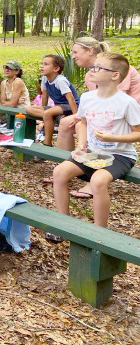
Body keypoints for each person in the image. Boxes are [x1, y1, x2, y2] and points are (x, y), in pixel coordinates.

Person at [48, 53, 140, 239]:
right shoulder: (88, 97)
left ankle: (99, 234)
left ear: (115, 76)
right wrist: (82, 144)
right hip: (92, 152)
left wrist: (113, 138)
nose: (92, 70)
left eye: (99, 68)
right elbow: (82, 122)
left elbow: (138, 133)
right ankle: (62, 223)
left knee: (98, 181)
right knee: (59, 172)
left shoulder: (127, 103)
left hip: (119, 155)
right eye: (93, 67)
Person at [58, 37, 140, 198]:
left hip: (126, 115)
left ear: (89, 51)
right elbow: (93, 103)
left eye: (76, 52)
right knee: (67, 123)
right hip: (101, 113)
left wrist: (86, 120)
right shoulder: (91, 76)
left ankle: (91, 181)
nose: (73, 56)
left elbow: (112, 100)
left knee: (73, 122)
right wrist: (82, 140)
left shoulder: (116, 69)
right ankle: (70, 161)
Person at [26, 55, 79, 147]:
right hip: (58, 107)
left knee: (47, 113)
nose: (42, 66)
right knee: (29, 109)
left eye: (46, 64)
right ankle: (52, 117)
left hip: (70, 105)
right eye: (42, 64)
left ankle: (47, 142)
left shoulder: (60, 81)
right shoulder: (45, 79)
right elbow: (45, 96)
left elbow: (71, 99)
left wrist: (75, 116)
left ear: (56, 68)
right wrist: (43, 108)